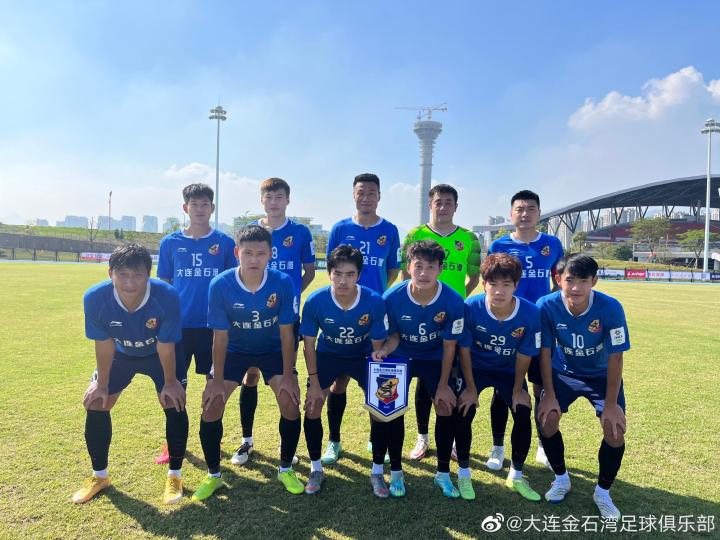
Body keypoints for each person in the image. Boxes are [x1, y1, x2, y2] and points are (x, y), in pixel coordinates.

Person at [192, 225, 303, 500]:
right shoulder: (220, 284)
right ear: (237, 252)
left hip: (272, 350)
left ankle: (286, 469)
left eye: (260, 253)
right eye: (248, 253)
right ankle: (213, 475)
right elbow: (220, 337)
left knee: (290, 402)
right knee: (211, 406)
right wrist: (216, 380)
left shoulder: (282, 282)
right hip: (235, 351)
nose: (254, 259)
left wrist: (289, 374)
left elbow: (287, 333)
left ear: (271, 254)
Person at [73, 243, 188, 505]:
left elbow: (165, 345)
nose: (130, 282)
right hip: (121, 355)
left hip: (160, 355)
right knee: (97, 402)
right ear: (110, 273)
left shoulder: (166, 296)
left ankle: (175, 475)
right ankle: (99, 476)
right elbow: (104, 344)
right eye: (122, 274)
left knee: (174, 402)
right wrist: (102, 385)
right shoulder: (95, 298)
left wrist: (171, 382)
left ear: (149, 274)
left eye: (137, 275)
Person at [536, 254, 630, 519]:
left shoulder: (610, 308)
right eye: (570, 280)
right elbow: (545, 352)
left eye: (583, 281)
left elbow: (616, 357)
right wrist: (548, 394)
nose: (575, 288)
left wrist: (610, 404)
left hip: (600, 376)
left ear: (594, 281)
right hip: (563, 373)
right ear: (558, 279)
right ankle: (561, 479)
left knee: (614, 431)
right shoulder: (546, 305)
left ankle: (602, 493)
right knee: (547, 420)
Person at [372, 240, 468, 499]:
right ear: (408, 267)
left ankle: (443, 474)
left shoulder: (453, 300)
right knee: (388, 409)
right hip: (401, 355)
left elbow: (449, 346)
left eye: (431, 267)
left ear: (440, 269)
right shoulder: (391, 298)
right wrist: (384, 351)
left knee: (445, 406)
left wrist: (443, 385)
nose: (424, 273)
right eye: (418, 266)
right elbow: (393, 336)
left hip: (435, 357)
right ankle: (396, 472)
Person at [234, 177, 315, 466]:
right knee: (250, 376)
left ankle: (286, 444)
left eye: (279, 197)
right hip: (253, 318)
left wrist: (289, 297)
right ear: (262, 200)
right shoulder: (251, 231)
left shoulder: (300, 232)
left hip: (286, 319)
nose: (274, 202)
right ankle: (246, 440)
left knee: (286, 376)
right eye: (268, 197)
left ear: (287, 200)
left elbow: (309, 272)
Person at [154, 183, 236, 465]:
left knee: (215, 386)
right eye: (194, 204)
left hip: (214, 329)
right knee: (175, 385)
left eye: (204, 204)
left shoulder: (225, 243)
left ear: (212, 208)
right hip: (178, 329)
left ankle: (212, 437)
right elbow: (164, 285)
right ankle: (173, 442)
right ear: (185, 208)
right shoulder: (170, 243)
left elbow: (230, 285)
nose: (199, 209)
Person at [323, 173, 401, 464]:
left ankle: (374, 438)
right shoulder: (340, 228)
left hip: (374, 314)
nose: (365, 197)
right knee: (339, 381)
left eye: (371, 192)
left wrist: (372, 295)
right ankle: (334, 441)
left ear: (379, 196)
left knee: (375, 378)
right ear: (353, 194)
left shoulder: (389, 230)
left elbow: (392, 269)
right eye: (360, 192)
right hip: (344, 315)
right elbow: (332, 266)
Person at [401, 183, 481, 460]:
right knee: (423, 379)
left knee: (451, 377)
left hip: (452, 319)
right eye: (438, 202)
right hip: (418, 318)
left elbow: (474, 277)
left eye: (449, 202)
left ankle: (454, 439)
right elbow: (405, 275)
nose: (443, 206)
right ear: (430, 204)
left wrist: (455, 302)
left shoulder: (469, 238)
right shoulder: (415, 234)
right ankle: (422, 437)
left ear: (456, 206)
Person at [486, 189, 563, 470]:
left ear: (539, 214)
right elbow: (491, 282)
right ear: (511, 214)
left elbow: (560, 280)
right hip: (508, 327)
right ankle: (497, 447)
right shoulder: (499, 245)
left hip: (540, 326)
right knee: (503, 388)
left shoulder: (552, 244)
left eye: (531, 209)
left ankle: (543, 444)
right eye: (519, 209)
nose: (525, 213)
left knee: (540, 386)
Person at [300, 245, 388, 494]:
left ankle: (377, 471)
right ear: (329, 273)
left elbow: (378, 345)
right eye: (337, 273)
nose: (343, 280)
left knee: (381, 408)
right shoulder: (316, 301)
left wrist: (378, 387)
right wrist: (314, 383)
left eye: (350, 274)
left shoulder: (373, 301)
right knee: (313, 405)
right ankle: (316, 468)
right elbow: (308, 345)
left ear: (358, 275)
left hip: (362, 355)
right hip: (328, 354)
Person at [456, 253, 542, 502]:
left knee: (522, 410)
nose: (499, 290)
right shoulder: (471, 307)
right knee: (464, 409)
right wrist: (470, 387)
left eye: (506, 284)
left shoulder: (530, 313)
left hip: (508, 370)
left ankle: (516, 474)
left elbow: (525, 354)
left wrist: (517, 389)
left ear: (516, 285)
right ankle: (463, 472)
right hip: (476, 368)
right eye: (493, 283)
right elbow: (464, 349)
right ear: (483, 284)